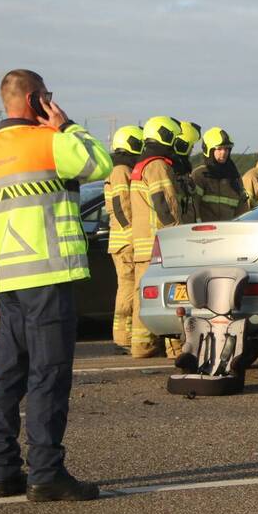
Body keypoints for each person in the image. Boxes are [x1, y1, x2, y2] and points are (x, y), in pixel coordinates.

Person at [0, 69, 110, 502]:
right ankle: (46, 473)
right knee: (49, 376)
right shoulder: (49, 140)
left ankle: (3, 471)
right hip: (50, 277)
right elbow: (99, 162)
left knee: (8, 375)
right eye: (47, 96)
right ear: (34, 101)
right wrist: (65, 124)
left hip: (10, 280)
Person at [129, 115, 183, 359]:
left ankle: (143, 347)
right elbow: (165, 202)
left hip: (142, 244)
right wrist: (177, 232)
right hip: (159, 244)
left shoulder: (140, 165)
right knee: (171, 296)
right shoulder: (159, 165)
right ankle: (176, 349)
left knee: (144, 297)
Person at [104, 125, 143, 353]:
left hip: (124, 240)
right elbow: (122, 206)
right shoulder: (121, 170)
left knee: (128, 289)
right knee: (127, 291)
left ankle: (125, 336)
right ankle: (122, 337)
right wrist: (132, 234)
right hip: (126, 242)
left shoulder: (123, 168)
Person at [192, 126, 249, 221]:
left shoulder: (234, 176)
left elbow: (242, 206)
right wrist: (197, 224)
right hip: (205, 230)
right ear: (209, 150)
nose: (223, 153)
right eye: (219, 149)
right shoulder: (200, 174)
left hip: (228, 231)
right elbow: (194, 204)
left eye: (226, 149)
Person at [173, 120, 201, 224]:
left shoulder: (182, 168)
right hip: (178, 227)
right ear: (183, 145)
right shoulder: (173, 170)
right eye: (191, 146)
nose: (192, 149)